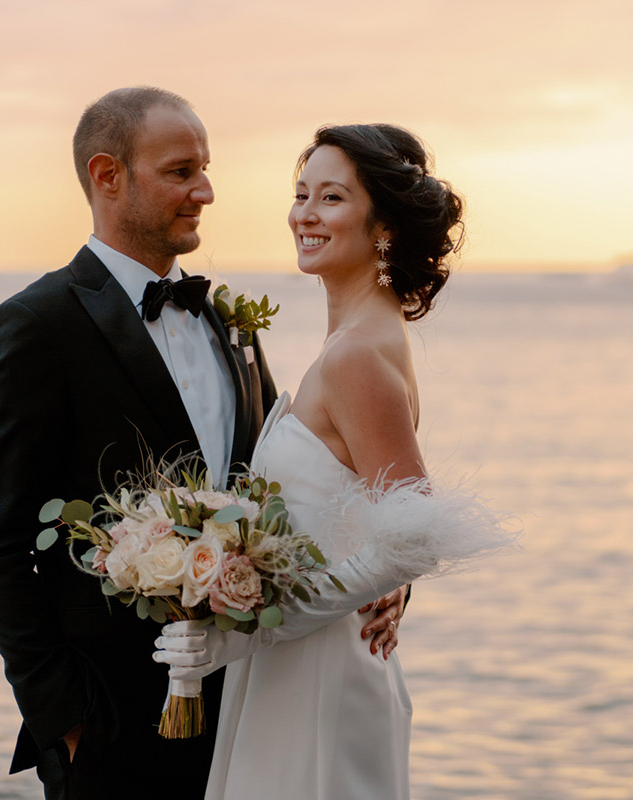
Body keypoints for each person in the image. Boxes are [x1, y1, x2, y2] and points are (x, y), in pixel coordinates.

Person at [0, 89, 404, 800]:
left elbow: (289, 492)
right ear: (108, 176)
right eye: (180, 172)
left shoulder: (229, 320)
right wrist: (67, 720)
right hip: (112, 730)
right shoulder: (36, 326)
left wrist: (388, 568)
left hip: (255, 702)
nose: (206, 190)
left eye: (205, 168)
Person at [154, 124, 507, 800]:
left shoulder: (355, 357)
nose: (304, 215)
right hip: (300, 669)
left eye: (332, 198)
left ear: (383, 230)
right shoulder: (364, 338)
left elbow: (409, 540)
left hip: (318, 681)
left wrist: (244, 635)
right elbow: (375, 518)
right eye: (300, 193)